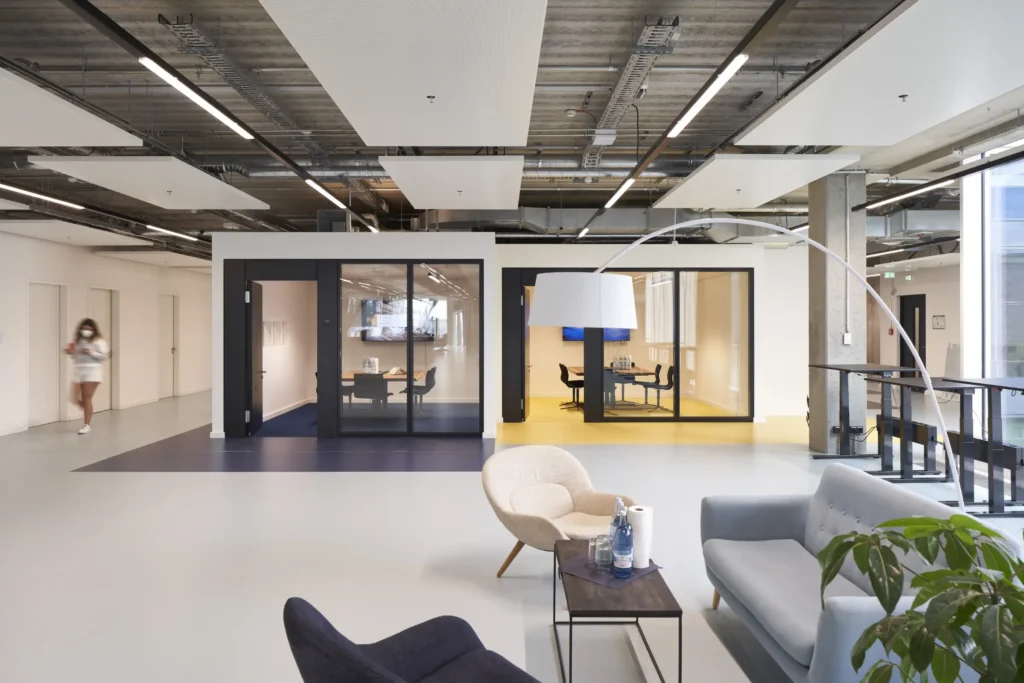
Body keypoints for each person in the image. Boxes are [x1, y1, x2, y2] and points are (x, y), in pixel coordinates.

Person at [66, 319, 108, 435]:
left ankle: (87, 425)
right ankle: (88, 411)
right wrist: (70, 351)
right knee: (74, 398)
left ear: (94, 330)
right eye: (85, 328)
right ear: (80, 329)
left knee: (86, 398)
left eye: (89, 329)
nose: (87, 331)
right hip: (79, 370)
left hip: (93, 371)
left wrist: (91, 352)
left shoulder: (99, 341)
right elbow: (75, 355)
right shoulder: (77, 341)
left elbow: (103, 357)